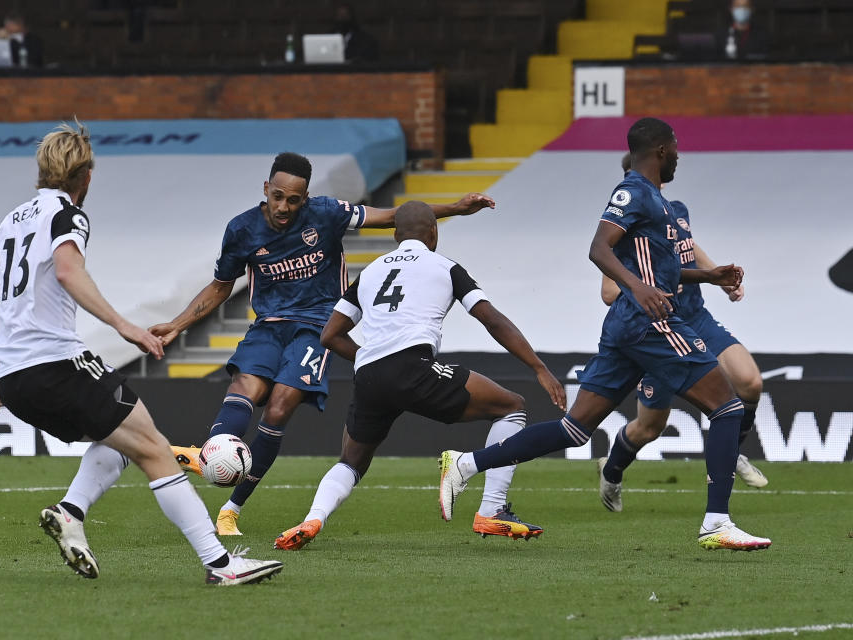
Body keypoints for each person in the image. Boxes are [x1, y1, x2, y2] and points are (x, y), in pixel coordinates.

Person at [0, 119, 282, 585]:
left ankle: (70, 512)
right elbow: (70, 272)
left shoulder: (10, 223)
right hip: (55, 364)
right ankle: (221, 564)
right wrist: (124, 325)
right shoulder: (68, 216)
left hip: (12, 377)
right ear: (85, 177)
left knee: (122, 440)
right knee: (153, 448)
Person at [438, 117, 772, 552]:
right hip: (647, 322)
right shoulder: (633, 191)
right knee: (727, 409)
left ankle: (465, 464)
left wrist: (707, 275)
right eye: (675, 150)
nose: (678, 158)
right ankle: (716, 522)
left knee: (575, 430)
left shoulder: (658, 201)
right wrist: (637, 288)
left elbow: (660, 269)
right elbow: (598, 247)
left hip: (628, 327)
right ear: (661, 151)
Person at [149, 152, 495, 536]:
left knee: (279, 409)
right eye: (278, 196)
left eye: (294, 200)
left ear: (306, 197)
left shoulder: (327, 213)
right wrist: (177, 325)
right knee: (244, 387)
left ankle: (231, 509)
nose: (284, 207)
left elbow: (397, 215)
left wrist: (457, 209)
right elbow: (220, 287)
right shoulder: (242, 229)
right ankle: (211, 452)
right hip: (268, 325)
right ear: (266, 189)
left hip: (316, 327)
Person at [272, 201, 567, 550]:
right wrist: (538, 367)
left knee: (351, 460)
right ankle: (492, 509)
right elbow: (491, 319)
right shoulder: (445, 266)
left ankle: (313, 518)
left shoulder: (370, 271)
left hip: (369, 376)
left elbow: (330, 335)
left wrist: (368, 357)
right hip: (413, 366)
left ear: (396, 235)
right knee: (511, 406)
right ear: (434, 233)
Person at [596, 154, 768, 513]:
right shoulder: (629, 220)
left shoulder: (675, 210)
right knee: (649, 427)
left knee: (750, 382)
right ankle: (611, 472)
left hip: (697, 317)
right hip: (662, 330)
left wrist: (716, 277)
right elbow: (608, 292)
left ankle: (732, 453)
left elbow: (691, 247)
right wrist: (647, 285)